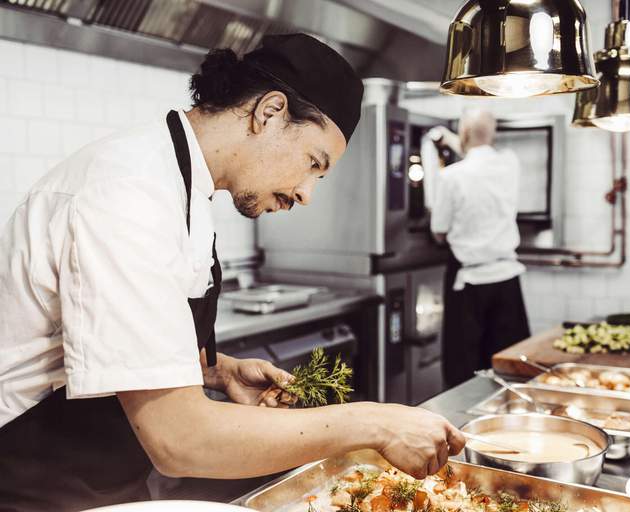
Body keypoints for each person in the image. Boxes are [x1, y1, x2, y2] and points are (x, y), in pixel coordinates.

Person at [0, 34, 464, 512]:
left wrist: (216, 370)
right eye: (312, 164)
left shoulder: (186, 186)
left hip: (95, 478)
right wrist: (375, 423)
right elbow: (179, 440)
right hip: (26, 484)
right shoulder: (126, 193)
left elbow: (107, 339)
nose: (305, 193)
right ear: (270, 111)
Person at [430, 109, 531, 388]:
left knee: (464, 371)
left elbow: (439, 232)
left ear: (463, 133)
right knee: (508, 367)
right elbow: (480, 156)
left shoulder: (451, 177)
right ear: (494, 133)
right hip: (507, 279)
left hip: (469, 284)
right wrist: (453, 139)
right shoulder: (510, 163)